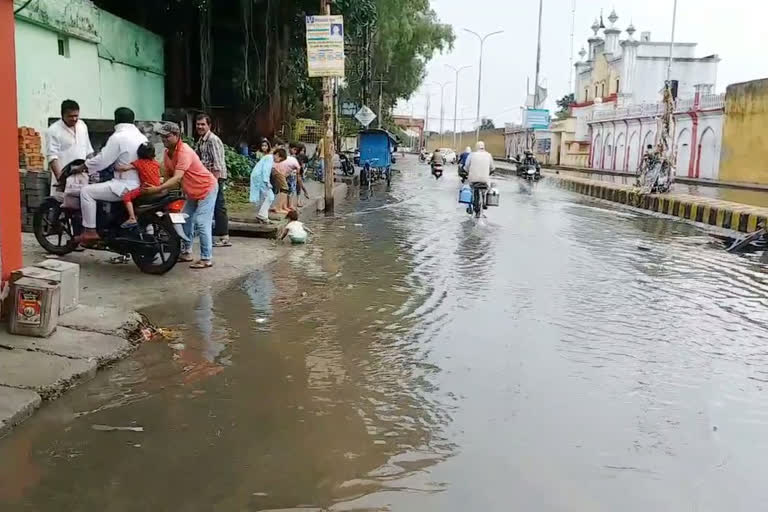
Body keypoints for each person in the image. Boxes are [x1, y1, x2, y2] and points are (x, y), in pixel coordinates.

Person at [145, 122, 218, 269]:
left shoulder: (184, 151)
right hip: (192, 191)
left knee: (201, 222)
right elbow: (167, 176)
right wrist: (160, 192)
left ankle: (206, 258)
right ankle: (186, 252)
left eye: (167, 136)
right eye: (162, 136)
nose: (164, 139)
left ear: (177, 136)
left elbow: (177, 177)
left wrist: (157, 189)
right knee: (183, 219)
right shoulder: (167, 153)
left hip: (206, 188)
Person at [78, 107, 147, 243]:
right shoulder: (141, 136)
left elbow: (103, 160)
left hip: (125, 185)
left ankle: (90, 231)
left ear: (116, 120)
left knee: (86, 192)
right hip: (141, 184)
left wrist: (84, 166)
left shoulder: (118, 137)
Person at [194, 114, 231, 248]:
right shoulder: (201, 140)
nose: (200, 126)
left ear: (209, 125)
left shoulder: (213, 140)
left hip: (215, 178)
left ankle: (224, 237)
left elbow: (218, 163)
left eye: (203, 124)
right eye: (198, 124)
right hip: (206, 178)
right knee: (210, 206)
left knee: (219, 206)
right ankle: (213, 233)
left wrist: (214, 182)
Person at [46, 99, 94, 196]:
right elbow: (52, 157)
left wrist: (93, 171)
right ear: (62, 115)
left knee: (83, 205)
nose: (74, 119)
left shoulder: (82, 126)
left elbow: (89, 151)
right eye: (70, 116)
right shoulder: (53, 130)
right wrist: (61, 181)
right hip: (64, 177)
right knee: (62, 206)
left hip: (82, 176)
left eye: (76, 115)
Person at [115, 142, 161, 228]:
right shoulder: (156, 163)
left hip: (146, 188)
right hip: (157, 188)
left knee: (126, 197)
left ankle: (132, 218)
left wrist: (115, 167)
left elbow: (124, 168)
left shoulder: (139, 163)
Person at [466, 141, 495, 210]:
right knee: (486, 187)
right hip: (485, 180)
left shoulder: (471, 155)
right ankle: (484, 201)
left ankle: (472, 204)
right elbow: (493, 168)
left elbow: (466, 166)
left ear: (476, 147)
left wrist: (468, 173)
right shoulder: (489, 155)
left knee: (472, 189)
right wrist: (488, 173)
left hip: (473, 180)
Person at [249, 150, 275, 223]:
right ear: (278, 155)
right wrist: (267, 182)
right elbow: (265, 170)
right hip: (261, 178)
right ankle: (262, 215)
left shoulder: (267, 157)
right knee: (270, 196)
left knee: (263, 197)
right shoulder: (270, 158)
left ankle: (263, 216)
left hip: (257, 177)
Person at [271, 148, 291, 214]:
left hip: (275, 171)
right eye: (280, 159)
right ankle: (279, 208)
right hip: (276, 171)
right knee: (285, 188)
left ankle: (279, 207)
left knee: (282, 189)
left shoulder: (271, 157)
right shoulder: (272, 158)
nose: (279, 161)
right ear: (277, 155)